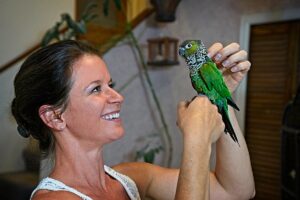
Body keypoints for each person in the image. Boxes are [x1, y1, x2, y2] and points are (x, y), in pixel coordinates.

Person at [11, 40, 255, 200]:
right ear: (55, 116)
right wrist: (197, 142)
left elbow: (236, 190)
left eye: (111, 85)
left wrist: (220, 94)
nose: (117, 97)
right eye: (96, 89)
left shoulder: (132, 178)